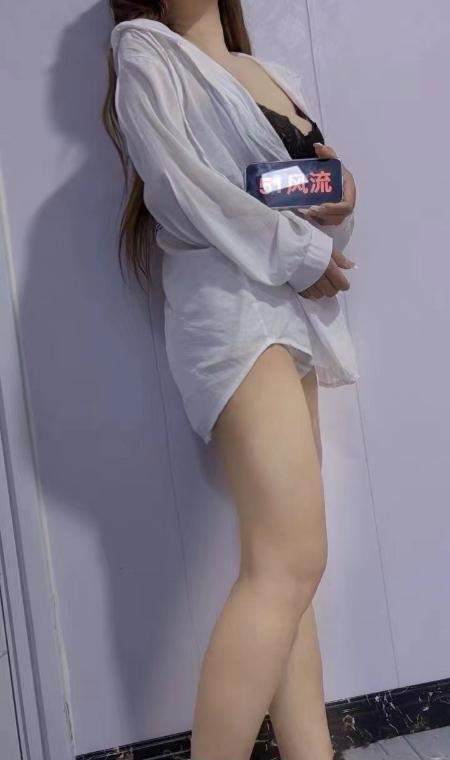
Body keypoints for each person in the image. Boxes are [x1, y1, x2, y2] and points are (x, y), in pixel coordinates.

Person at [103, 2, 359, 759]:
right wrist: (300, 250)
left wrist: (333, 194)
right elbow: (183, 191)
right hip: (233, 315)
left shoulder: (268, 72)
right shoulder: (145, 50)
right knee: (290, 563)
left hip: (290, 316)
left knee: (286, 570)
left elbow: (319, 197)